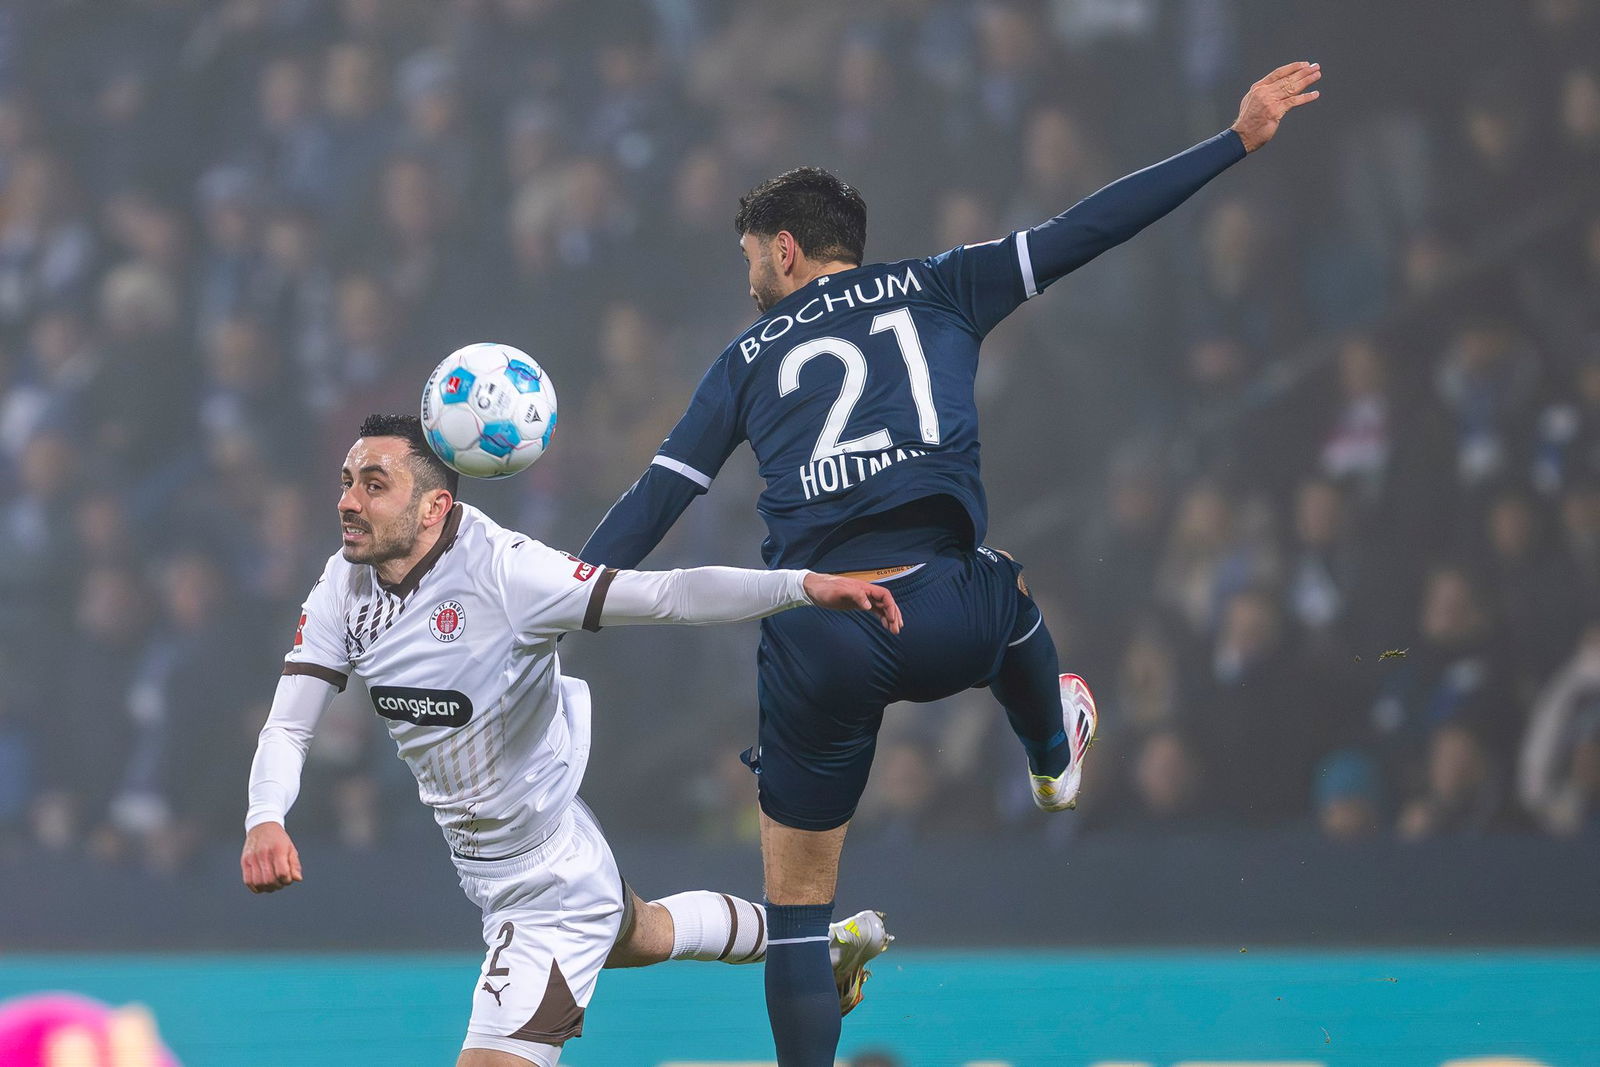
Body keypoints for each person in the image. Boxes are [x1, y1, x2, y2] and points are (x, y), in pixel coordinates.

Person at [582, 62, 1323, 1063]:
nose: (748, 276)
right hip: (945, 609)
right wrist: (1233, 139)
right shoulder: (941, 283)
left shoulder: (745, 358)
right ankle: (1053, 756)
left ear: (788, 251)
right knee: (1012, 591)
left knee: (797, 913)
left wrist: (558, 598)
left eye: (752, 256)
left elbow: (656, 499)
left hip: (817, 637)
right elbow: (1090, 226)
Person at [240, 414, 901, 1067]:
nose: (348, 501)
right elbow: (291, 722)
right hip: (529, 853)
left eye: (374, 484)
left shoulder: (509, 574)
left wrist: (801, 586)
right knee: (647, 932)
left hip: (546, 885)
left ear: (436, 505)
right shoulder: (344, 582)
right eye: (347, 480)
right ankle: (817, 944)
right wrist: (266, 815)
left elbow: (669, 594)